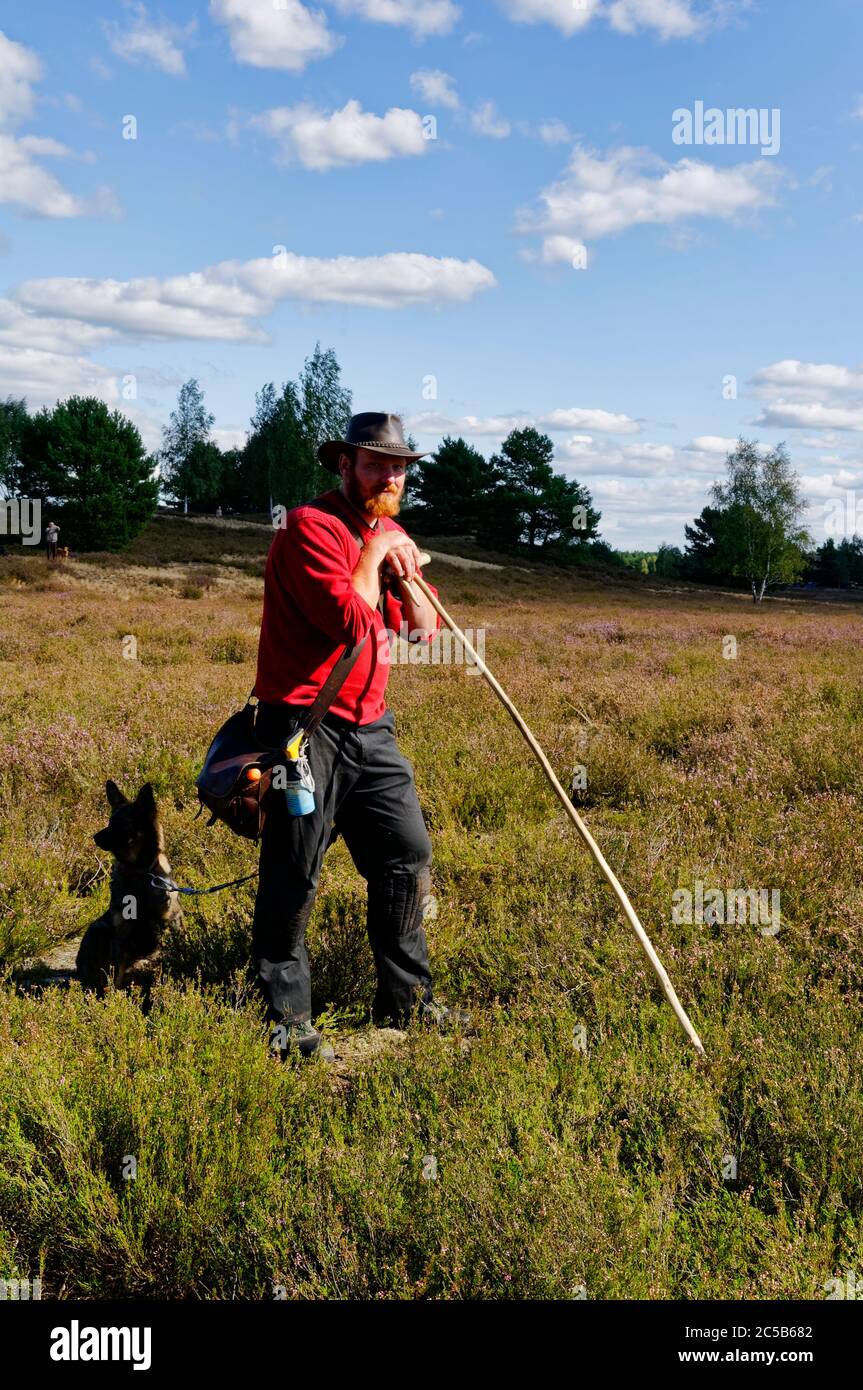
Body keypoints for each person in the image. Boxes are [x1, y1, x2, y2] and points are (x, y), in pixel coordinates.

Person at [252, 412, 473, 1060]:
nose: (391, 476)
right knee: (293, 875)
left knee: (406, 858)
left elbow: (422, 631)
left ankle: (406, 1003)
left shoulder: (393, 533)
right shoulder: (307, 528)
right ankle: (288, 1025)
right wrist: (376, 554)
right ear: (344, 464)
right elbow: (349, 620)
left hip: (372, 731)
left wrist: (405, 571)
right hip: (303, 728)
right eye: (377, 464)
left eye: (400, 466)